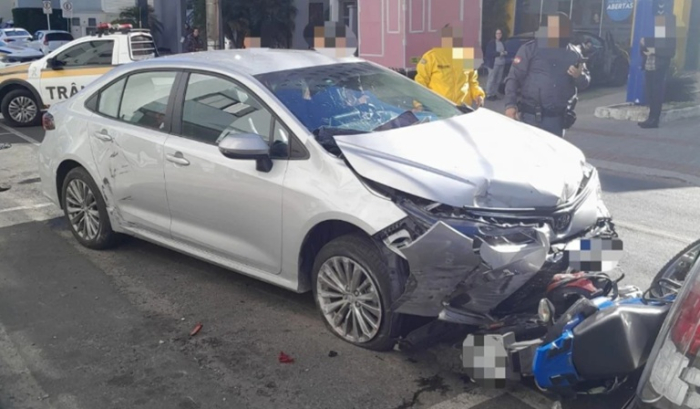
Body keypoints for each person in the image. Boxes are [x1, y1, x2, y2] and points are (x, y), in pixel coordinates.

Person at [504, 12, 590, 138]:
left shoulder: (574, 53)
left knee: (553, 151)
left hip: (557, 120)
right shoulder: (530, 49)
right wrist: (510, 105)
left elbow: (585, 81)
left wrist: (579, 76)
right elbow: (513, 78)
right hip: (531, 117)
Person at [415, 26, 485, 108]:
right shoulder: (431, 57)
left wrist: (478, 95)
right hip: (438, 108)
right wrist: (419, 104)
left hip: (462, 108)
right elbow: (420, 83)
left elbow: (472, 82)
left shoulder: (466, 56)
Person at [638, 14, 677, 129]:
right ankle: (650, 118)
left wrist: (652, 50)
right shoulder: (656, 36)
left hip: (658, 67)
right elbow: (644, 47)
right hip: (649, 66)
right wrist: (644, 45)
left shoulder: (669, 38)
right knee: (650, 93)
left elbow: (669, 52)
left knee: (656, 93)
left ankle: (654, 119)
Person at [484, 28, 508, 100]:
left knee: (498, 80)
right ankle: (488, 94)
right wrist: (499, 53)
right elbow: (489, 53)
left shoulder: (502, 43)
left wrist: (505, 52)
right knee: (491, 79)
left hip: (501, 64)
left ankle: (494, 93)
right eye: (497, 33)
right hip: (493, 64)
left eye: (500, 33)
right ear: (495, 34)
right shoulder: (492, 43)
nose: (499, 35)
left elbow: (505, 50)